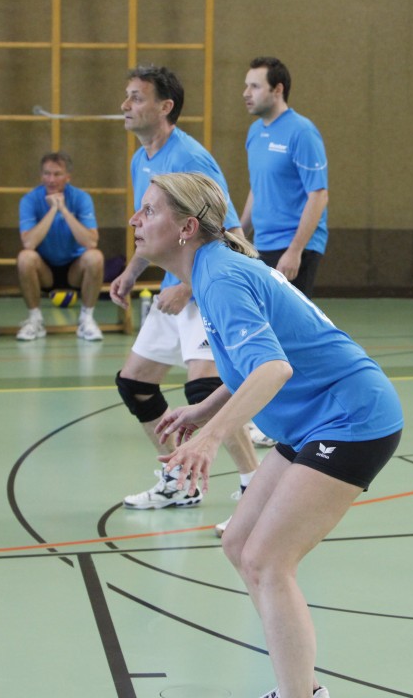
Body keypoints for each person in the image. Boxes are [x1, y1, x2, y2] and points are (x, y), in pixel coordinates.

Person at [138, 171, 402, 698]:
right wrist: (204, 409)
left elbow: (273, 369)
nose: (135, 220)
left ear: (186, 228)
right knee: (239, 543)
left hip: (351, 418)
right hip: (312, 420)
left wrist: (212, 436)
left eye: (149, 210)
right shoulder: (213, 270)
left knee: (268, 559)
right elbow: (252, 361)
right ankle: (303, 687)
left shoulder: (220, 277)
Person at [107, 65, 262, 519]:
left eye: (136, 97)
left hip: (202, 285)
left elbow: (232, 235)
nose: (125, 105)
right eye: (127, 96)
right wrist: (132, 272)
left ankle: (255, 488)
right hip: (173, 284)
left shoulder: (191, 158)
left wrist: (189, 287)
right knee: (135, 384)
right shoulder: (141, 160)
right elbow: (151, 228)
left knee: (204, 389)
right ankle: (179, 480)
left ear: (165, 107)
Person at [240, 56, 329, 297]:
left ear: (277, 90)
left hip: (294, 247)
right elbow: (258, 188)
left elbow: (319, 195)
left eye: (255, 86)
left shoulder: (302, 132)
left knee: (287, 320)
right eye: (246, 86)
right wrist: (238, 236)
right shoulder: (255, 132)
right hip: (262, 245)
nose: (246, 93)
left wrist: (295, 251)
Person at [15, 151, 105, 342]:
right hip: (44, 270)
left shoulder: (81, 198)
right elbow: (29, 243)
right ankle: (35, 320)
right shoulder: (30, 200)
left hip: (74, 269)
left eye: (57, 174)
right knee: (25, 257)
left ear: (67, 177)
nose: (51, 179)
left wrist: (63, 209)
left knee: (95, 257)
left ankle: (87, 320)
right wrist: (53, 209)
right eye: (47, 174)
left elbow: (91, 242)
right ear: (41, 176)